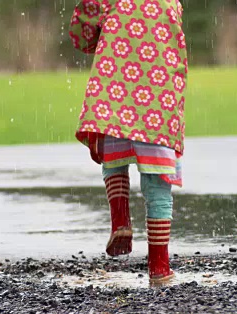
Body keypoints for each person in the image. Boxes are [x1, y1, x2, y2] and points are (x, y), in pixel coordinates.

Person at [69, 0, 187, 284]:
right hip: (159, 96)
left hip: (115, 89)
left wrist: (99, 33)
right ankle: (159, 266)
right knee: (158, 180)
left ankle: (120, 220)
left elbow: (82, 32)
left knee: (114, 158)